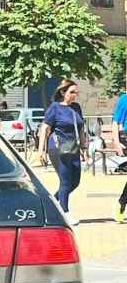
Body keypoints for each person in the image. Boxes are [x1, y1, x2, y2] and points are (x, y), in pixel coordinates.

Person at [37, 80, 86, 225]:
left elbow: (81, 127)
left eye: (76, 92)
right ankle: (65, 213)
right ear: (63, 92)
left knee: (75, 181)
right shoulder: (55, 107)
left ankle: (50, 203)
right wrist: (41, 150)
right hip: (58, 147)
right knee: (65, 181)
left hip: (73, 147)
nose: (74, 95)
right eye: (72, 92)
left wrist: (84, 147)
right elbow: (45, 128)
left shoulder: (76, 107)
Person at [111, 90, 127, 222]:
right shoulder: (124, 99)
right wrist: (116, 142)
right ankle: (122, 203)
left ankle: (122, 202)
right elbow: (115, 121)